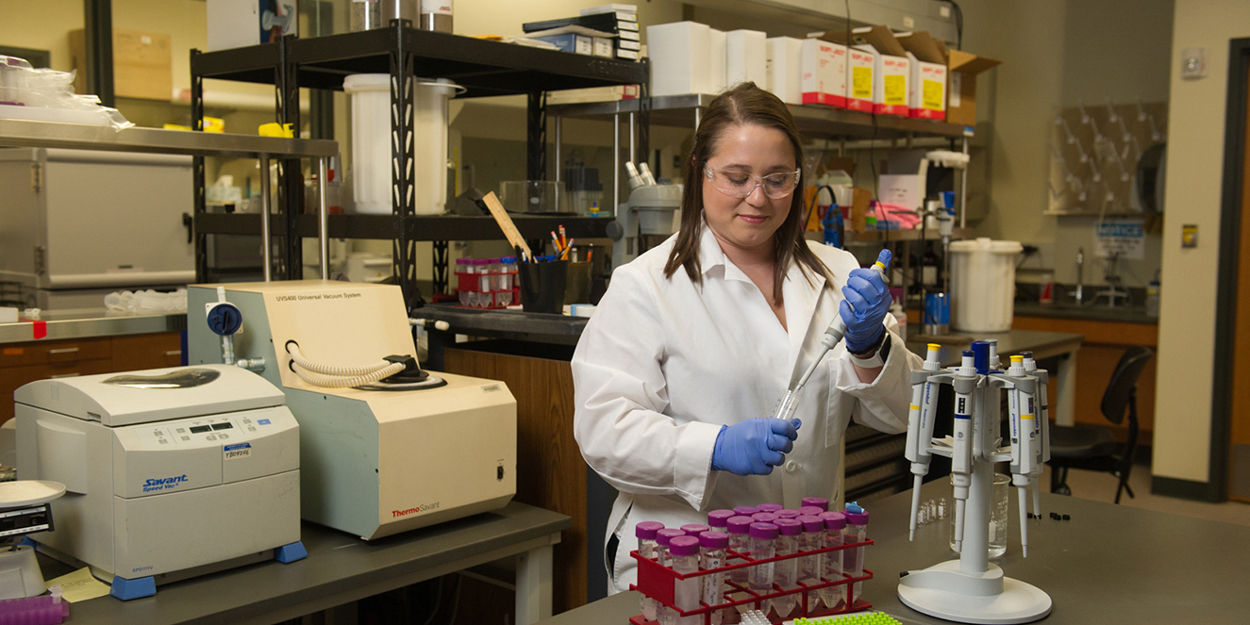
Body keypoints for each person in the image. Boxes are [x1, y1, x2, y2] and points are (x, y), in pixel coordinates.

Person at [572, 83, 923, 594]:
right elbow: (604, 431)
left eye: (777, 180)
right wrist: (713, 447)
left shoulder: (838, 273)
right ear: (700, 172)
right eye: (737, 178)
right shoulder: (646, 285)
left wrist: (871, 348)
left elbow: (905, 413)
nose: (758, 198)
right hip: (686, 565)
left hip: (808, 561)